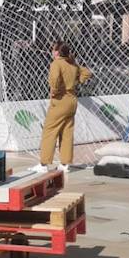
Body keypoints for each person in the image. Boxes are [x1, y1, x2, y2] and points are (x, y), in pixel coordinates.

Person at [37, 40, 92, 171]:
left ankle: (44, 164)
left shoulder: (56, 64)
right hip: (72, 100)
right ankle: (65, 164)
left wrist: (54, 91)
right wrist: (77, 81)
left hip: (60, 101)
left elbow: (55, 79)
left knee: (49, 131)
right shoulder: (72, 64)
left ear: (56, 52)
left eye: (52, 50)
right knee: (67, 132)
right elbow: (87, 73)